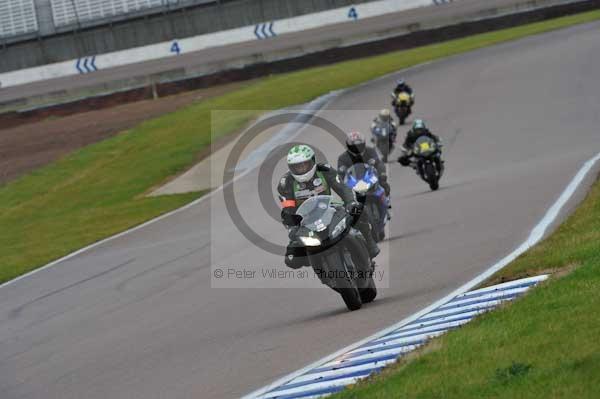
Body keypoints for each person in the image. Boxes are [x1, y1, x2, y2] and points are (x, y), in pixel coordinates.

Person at [278, 144, 380, 268]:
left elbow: (343, 188)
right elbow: (287, 208)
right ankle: (320, 265)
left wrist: (350, 203)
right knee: (291, 260)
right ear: (291, 168)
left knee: (359, 211)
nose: (301, 169)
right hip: (304, 221)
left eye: (304, 164)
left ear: (313, 161)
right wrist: (291, 226)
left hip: (329, 209)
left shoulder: (325, 170)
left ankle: (370, 244)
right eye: (297, 167)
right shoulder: (286, 182)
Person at [337, 131, 391, 197]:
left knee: (383, 182)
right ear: (348, 146)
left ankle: (385, 198)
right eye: (354, 146)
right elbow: (340, 172)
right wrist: (341, 180)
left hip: (370, 177)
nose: (357, 148)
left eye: (359, 146)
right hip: (353, 182)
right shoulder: (343, 157)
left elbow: (378, 163)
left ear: (363, 144)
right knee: (343, 193)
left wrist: (382, 176)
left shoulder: (370, 151)